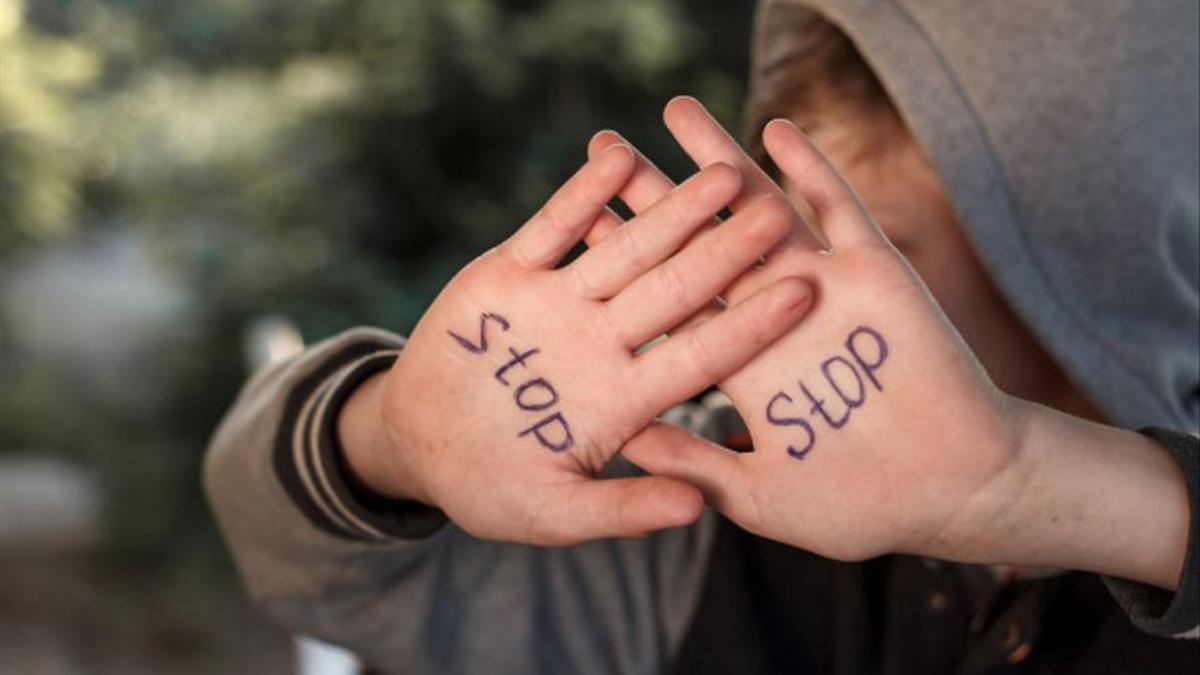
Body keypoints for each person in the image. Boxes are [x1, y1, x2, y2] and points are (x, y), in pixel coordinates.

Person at [204, 0, 1199, 672]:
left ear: (1084, 261)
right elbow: (299, 568)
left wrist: (1028, 486)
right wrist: (390, 443)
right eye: (755, 245)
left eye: (876, 247)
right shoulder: (697, 516)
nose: (766, 297)